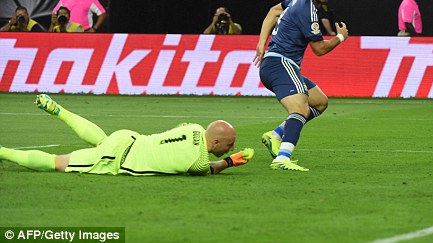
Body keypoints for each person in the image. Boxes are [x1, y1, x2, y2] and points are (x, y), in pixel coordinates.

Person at [0, 94, 254, 176]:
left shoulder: (194, 127)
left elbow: (181, 133)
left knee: (101, 139)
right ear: (217, 142)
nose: (231, 149)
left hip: (129, 138)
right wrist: (231, 162)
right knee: (56, 162)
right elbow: (206, 168)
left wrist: (228, 158)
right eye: (230, 145)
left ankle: (59, 110)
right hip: (117, 159)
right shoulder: (198, 163)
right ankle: (2, 151)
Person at [253, 0, 349, 172]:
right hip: (281, 63)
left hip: (279, 64)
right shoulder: (308, 10)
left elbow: (273, 11)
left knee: (320, 102)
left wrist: (262, 42)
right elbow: (319, 49)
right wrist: (341, 37)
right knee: (300, 108)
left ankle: (276, 135)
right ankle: (282, 157)